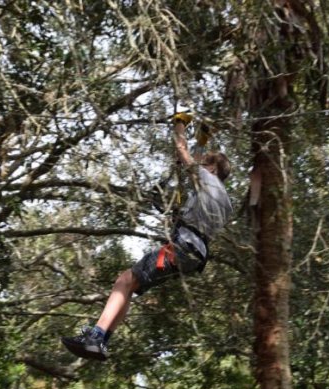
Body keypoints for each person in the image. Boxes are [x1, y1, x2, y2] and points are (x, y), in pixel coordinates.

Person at [61, 113, 233, 361]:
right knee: (130, 286)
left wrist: (180, 125)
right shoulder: (225, 200)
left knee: (124, 280)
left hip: (182, 247)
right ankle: (101, 340)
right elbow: (192, 173)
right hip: (195, 256)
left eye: (205, 163)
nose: (201, 166)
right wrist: (202, 140)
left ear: (212, 169)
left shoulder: (206, 178)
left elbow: (183, 153)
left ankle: (96, 337)